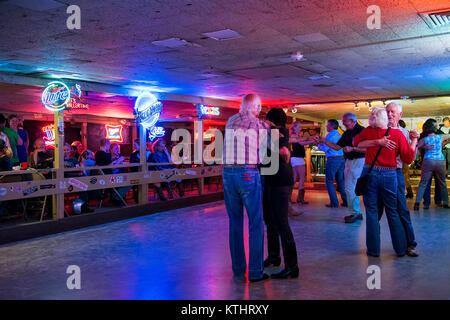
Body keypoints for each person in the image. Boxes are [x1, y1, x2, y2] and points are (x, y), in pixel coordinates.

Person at [357, 102, 420, 257]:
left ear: (399, 115)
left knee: (383, 211)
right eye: (387, 112)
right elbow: (409, 157)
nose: (390, 114)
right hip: (389, 173)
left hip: (382, 172)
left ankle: (378, 249)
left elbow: (356, 143)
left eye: (393, 112)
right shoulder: (395, 134)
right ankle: (400, 249)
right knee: (389, 212)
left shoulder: (398, 132)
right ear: (384, 115)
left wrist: (414, 140)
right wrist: (379, 142)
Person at [222, 93, 270, 282]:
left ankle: (238, 269)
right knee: (256, 222)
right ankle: (256, 272)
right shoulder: (255, 123)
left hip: (227, 174)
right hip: (247, 173)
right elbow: (271, 139)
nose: (260, 109)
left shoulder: (230, 120)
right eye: (258, 106)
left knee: (235, 223)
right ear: (251, 106)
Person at [262, 107, 299, 279]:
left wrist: (270, 145)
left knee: (282, 223)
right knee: (270, 221)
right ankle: (274, 256)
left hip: (280, 181)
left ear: (271, 119)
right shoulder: (270, 132)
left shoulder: (280, 131)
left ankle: (292, 266)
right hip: (269, 180)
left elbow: (285, 154)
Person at [315, 113, 366, 223]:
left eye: (345, 121)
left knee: (350, 187)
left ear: (352, 121)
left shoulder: (362, 131)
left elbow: (369, 149)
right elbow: (337, 146)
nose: (343, 123)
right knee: (348, 187)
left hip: (358, 161)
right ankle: (355, 212)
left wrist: (353, 149)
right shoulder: (347, 133)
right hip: (348, 161)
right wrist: (324, 140)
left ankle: (356, 212)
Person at [414, 119, 450, 210]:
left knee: (423, 183)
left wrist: (424, 146)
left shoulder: (424, 139)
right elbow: (448, 136)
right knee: (442, 183)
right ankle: (445, 203)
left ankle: (417, 203)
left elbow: (416, 146)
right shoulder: (440, 137)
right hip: (440, 161)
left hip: (428, 161)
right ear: (433, 127)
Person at [317, 119, 347, 208]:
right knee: (341, 181)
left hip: (333, 160)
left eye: (328, 125)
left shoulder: (329, 136)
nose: (326, 127)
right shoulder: (338, 134)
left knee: (329, 182)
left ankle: (334, 203)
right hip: (341, 159)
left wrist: (318, 144)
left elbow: (325, 149)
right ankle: (346, 201)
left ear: (332, 126)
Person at [289, 122, 316, 204]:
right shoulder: (295, 136)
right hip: (298, 158)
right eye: (299, 126)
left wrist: (311, 140)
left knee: (294, 178)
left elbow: (302, 142)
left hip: (294, 158)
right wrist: (312, 141)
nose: (301, 127)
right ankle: (300, 199)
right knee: (301, 178)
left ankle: (289, 198)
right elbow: (301, 143)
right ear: (295, 127)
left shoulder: (294, 135)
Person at [398, 120, 414, 198]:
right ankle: (409, 191)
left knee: (402, 175)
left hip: (399, 156)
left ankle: (407, 192)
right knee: (405, 175)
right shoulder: (406, 132)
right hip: (405, 156)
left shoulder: (402, 132)